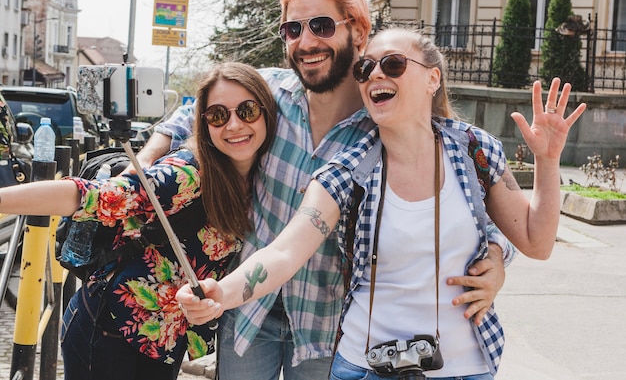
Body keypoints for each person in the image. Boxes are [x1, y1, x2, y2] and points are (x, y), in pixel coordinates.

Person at [136, 0, 511, 379]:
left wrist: (495, 258)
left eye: (320, 25)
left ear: (359, 30)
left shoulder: (386, 122)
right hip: (249, 314)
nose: (306, 41)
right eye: (292, 29)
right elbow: (195, 111)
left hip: (327, 327)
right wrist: (148, 159)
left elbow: (466, 208)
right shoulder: (268, 96)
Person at [176, 28, 587, 379]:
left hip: (466, 365)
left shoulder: (474, 150)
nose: (374, 74)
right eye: (364, 68)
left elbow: (537, 242)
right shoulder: (347, 170)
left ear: (432, 80)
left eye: (392, 64)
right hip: (365, 366)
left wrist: (548, 161)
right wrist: (221, 293)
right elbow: (284, 252)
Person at [0, 62, 277, 380]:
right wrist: (4, 199)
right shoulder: (187, 174)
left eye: (247, 110)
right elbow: (92, 196)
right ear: (204, 124)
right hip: (109, 332)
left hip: (165, 340)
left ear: (266, 112)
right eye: (218, 115)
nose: (233, 125)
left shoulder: (262, 178)